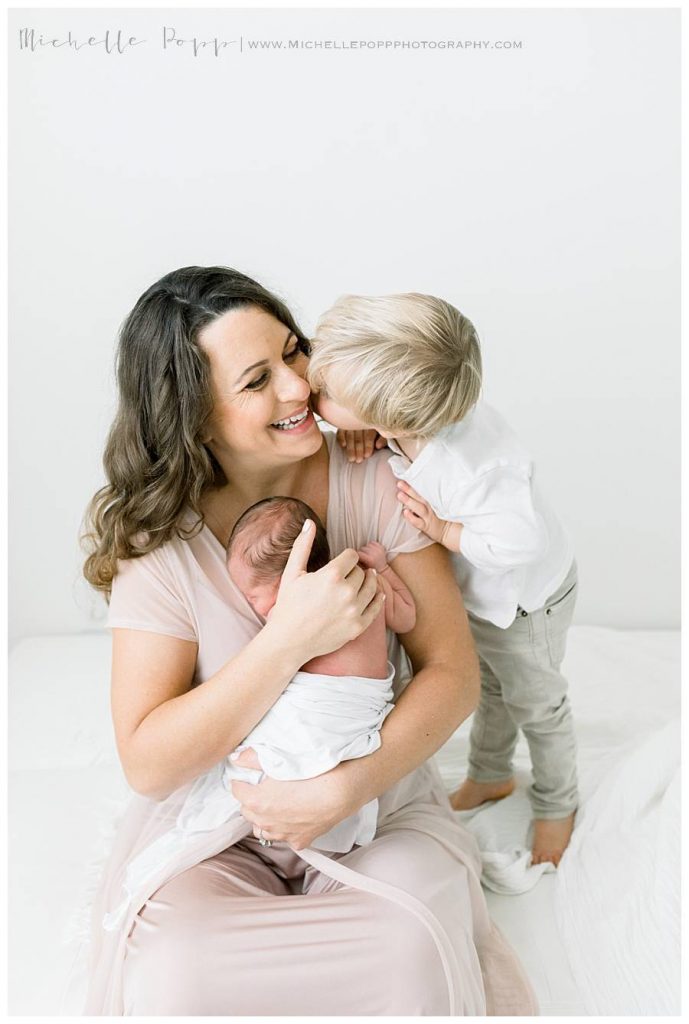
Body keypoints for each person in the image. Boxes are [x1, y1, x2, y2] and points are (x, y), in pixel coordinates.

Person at [81, 266, 537, 1015]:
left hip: (375, 799)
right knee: (177, 973)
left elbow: (450, 672)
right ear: (193, 415)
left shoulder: (378, 475)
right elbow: (148, 761)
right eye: (257, 380)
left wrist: (342, 790)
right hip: (221, 819)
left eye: (294, 354)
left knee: (409, 946)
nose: (298, 389)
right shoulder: (160, 541)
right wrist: (287, 640)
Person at [309, 292, 578, 866]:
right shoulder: (414, 425)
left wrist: (445, 530)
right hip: (488, 599)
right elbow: (384, 430)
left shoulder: (472, 471)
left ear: (391, 418)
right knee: (493, 688)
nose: (312, 393)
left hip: (529, 602)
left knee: (536, 702)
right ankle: (491, 774)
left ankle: (559, 802)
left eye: (328, 395)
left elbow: (519, 541)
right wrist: (367, 432)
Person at [103, 497, 417, 927]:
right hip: (339, 711)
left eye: (255, 594)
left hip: (345, 714)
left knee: (266, 752)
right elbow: (406, 616)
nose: (255, 608)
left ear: (296, 574)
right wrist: (380, 570)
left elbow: (288, 689)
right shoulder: (362, 585)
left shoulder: (319, 609)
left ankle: (270, 784)